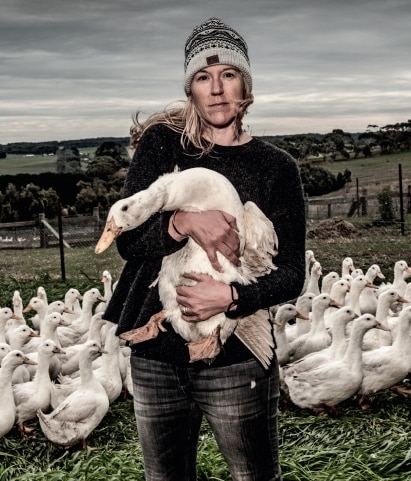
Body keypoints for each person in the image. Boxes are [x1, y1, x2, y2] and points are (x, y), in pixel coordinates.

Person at [103, 17, 306, 481]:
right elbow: (130, 242)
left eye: (228, 75)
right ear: (190, 89)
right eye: (202, 77)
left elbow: (293, 273)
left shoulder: (276, 167)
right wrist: (184, 222)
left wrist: (232, 299)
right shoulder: (162, 145)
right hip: (156, 361)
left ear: (246, 87)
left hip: (236, 363)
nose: (216, 89)